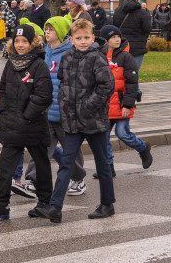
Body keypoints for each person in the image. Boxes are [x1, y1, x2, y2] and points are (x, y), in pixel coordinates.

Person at [36, 19, 115, 223]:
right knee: (66, 164)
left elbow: (106, 86)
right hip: (71, 121)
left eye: (86, 37)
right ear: (71, 39)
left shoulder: (97, 58)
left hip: (94, 120)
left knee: (102, 163)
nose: (82, 41)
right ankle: (55, 207)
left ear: (92, 37)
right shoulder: (67, 56)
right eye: (78, 38)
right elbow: (62, 83)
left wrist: (87, 106)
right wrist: (65, 106)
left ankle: (107, 204)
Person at [0, 24, 54, 220]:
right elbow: (3, 91)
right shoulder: (10, 63)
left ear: (33, 43)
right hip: (11, 124)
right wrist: (3, 111)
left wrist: (27, 115)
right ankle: (1, 205)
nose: (20, 45)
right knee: (6, 166)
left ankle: (45, 202)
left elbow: (44, 96)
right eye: (17, 41)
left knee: (41, 163)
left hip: (33, 125)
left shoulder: (39, 65)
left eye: (25, 41)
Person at [18, 16, 88, 197]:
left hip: (65, 113)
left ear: (61, 32)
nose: (47, 32)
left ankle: (78, 179)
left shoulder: (69, 53)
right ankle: (34, 181)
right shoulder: (44, 52)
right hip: (46, 113)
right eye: (46, 29)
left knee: (71, 149)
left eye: (51, 29)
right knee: (40, 147)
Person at [99, 24, 153, 172]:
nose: (117, 40)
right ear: (105, 39)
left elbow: (131, 83)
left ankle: (143, 148)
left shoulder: (126, 57)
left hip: (121, 103)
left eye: (118, 37)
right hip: (104, 105)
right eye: (113, 37)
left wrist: (127, 105)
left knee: (122, 133)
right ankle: (108, 167)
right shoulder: (99, 56)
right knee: (103, 138)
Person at [112, 0, 152, 70]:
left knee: (121, 72)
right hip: (137, 47)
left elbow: (114, 26)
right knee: (134, 73)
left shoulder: (118, 10)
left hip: (121, 45)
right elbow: (147, 29)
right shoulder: (142, 12)